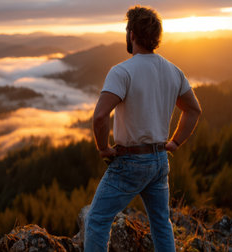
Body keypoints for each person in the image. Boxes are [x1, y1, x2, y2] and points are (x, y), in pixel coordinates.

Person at [84, 5, 202, 252]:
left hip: (130, 161)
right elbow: (193, 110)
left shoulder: (122, 71)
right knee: (161, 223)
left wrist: (103, 148)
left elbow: (100, 116)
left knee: (96, 220)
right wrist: (174, 143)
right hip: (159, 159)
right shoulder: (173, 71)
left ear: (132, 35)